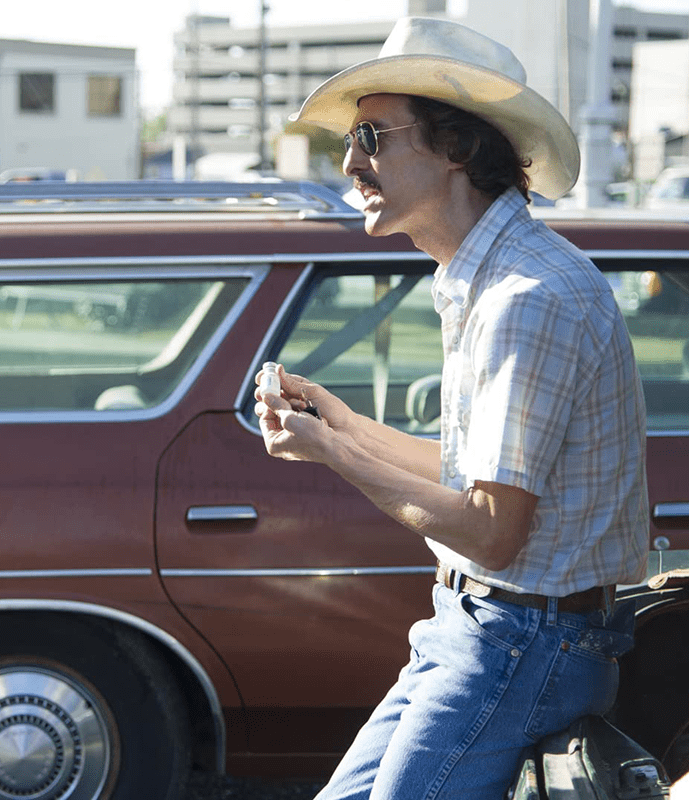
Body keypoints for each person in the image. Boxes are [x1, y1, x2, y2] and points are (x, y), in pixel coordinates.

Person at [255, 17, 648, 800]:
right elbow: (477, 481)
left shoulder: (525, 296)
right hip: (487, 630)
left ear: (457, 148)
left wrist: (338, 454)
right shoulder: (493, 277)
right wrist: (341, 425)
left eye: (371, 136)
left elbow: (492, 532)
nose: (350, 162)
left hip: (522, 640)